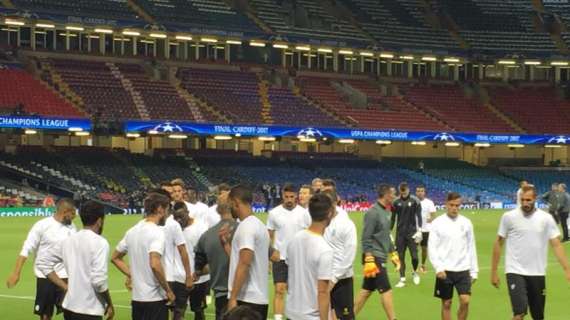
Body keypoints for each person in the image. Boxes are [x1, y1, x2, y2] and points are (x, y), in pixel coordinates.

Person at [491, 185, 570, 320]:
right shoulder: (509, 217)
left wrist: (567, 269)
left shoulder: (546, 219)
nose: (525, 203)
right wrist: (493, 272)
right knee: (519, 312)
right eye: (522, 200)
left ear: (535, 199)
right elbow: (499, 242)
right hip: (515, 270)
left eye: (528, 200)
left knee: (538, 316)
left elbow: (556, 244)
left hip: (537, 272)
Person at [36, 201, 114, 320]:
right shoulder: (100, 243)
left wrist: (65, 287)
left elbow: (43, 263)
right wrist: (109, 303)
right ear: (99, 221)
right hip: (89, 309)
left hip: (70, 307)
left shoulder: (68, 241)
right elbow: (98, 281)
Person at [6, 198, 77, 320]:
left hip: (66, 276)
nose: (74, 217)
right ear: (65, 211)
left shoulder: (72, 227)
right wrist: (16, 272)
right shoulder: (42, 225)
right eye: (73, 213)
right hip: (45, 276)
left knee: (71, 312)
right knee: (45, 315)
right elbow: (26, 248)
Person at [111, 192, 175, 320]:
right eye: (167, 210)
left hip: (137, 301)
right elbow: (155, 264)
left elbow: (115, 257)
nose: (168, 215)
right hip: (155, 301)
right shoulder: (157, 232)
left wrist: (132, 274)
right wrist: (168, 290)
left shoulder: (132, 231)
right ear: (160, 209)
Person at [429, 192, 478, 320]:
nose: (454, 208)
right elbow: (432, 247)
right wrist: (438, 267)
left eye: (457, 205)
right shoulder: (437, 223)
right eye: (452, 205)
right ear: (446, 204)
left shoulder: (466, 223)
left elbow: (471, 246)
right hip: (445, 270)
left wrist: (474, 271)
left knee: (465, 301)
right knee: (446, 303)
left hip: (463, 269)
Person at [286, 193, 334, 320]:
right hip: (310, 316)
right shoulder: (324, 249)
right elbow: (322, 292)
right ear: (329, 214)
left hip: (291, 312)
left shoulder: (294, 239)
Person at [267, 183, 312, 320]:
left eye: (292, 197)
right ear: (282, 196)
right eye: (286, 197)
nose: (289, 199)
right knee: (279, 289)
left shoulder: (304, 214)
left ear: (296, 196)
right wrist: (269, 256)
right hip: (280, 257)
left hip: (298, 259)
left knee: (295, 292)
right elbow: (269, 235)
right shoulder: (274, 213)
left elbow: (309, 236)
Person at [227, 185, 270, 319]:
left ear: (235, 202)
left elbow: (245, 263)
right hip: (257, 298)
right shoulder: (259, 225)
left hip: (246, 300)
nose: (229, 208)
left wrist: (233, 297)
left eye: (230, 204)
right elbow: (241, 260)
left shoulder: (247, 227)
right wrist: (225, 244)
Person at [355, 184, 397, 320]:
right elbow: (366, 237)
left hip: (380, 256)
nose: (395, 196)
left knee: (366, 292)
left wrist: (393, 253)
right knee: (387, 289)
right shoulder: (372, 212)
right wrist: (369, 258)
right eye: (393, 194)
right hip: (374, 257)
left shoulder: (387, 211)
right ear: (386, 195)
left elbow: (385, 234)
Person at [321, 181, 357, 320]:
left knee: (345, 317)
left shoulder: (345, 223)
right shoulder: (319, 220)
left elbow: (349, 255)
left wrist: (334, 279)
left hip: (341, 279)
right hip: (322, 276)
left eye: (330, 203)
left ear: (336, 202)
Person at [195, 201, 237, 320]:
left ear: (218, 211)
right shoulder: (243, 229)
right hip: (243, 292)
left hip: (221, 292)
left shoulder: (207, 235)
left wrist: (198, 272)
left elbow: (199, 265)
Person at [171, 202, 210, 320]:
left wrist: (200, 272)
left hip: (199, 278)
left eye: (181, 216)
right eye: (175, 217)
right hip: (179, 277)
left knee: (199, 310)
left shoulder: (201, 228)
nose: (178, 220)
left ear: (187, 212)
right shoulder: (173, 228)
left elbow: (207, 253)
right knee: (178, 312)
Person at [391, 182, 422, 288]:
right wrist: (389, 230)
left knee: (415, 257)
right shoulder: (395, 202)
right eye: (401, 190)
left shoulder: (415, 201)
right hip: (400, 234)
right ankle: (402, 279)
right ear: (400, 190)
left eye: (405, 190)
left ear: (408, 189)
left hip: (412, 233)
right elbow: (393, 218)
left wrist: (420, 230)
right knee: (400, 256)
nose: (403, 192)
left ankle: (415, 272)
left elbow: (419, 216)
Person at [416, 185, 437, 273]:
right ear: (416, 193)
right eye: (418, 191)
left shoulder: (429, 202)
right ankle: (415, 266)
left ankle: (423, 265)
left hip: (426, 229)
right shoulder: (413, 202)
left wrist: (430, 219)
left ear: (424, 192)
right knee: (414, 249)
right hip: (415, 230)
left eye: (422, 191)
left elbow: (433, 214)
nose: (420, 192)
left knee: (424, 248)